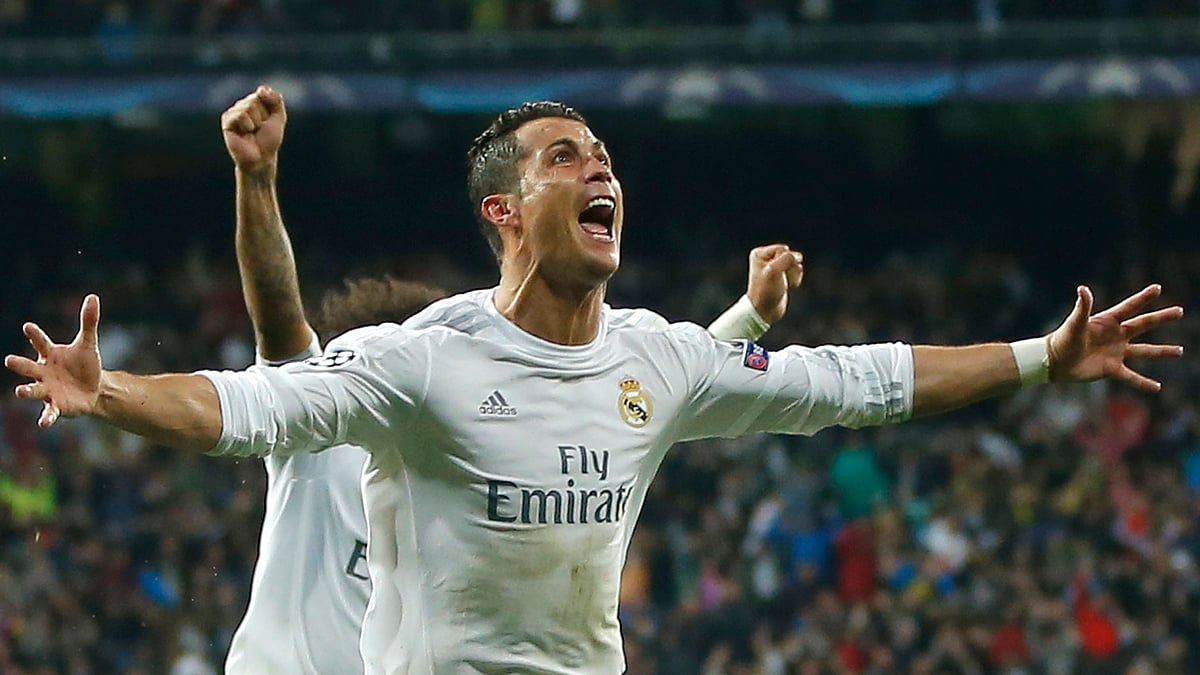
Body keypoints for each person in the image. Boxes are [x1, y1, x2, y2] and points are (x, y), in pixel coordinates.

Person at [5, 99, 1183, 674]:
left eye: (604, 155)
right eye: (564, 156)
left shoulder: (655, 356)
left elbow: (848, 381)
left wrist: (1041, 355)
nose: (600, 165)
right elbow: (252, 395)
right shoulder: (413, 367)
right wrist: (111, 395)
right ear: (504, 212)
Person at [219, 86, 804, 673]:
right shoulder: (320, 433)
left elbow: (653, 387)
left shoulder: (458, 441)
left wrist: (748, 318)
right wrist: (258, 180)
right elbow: (277, 319)